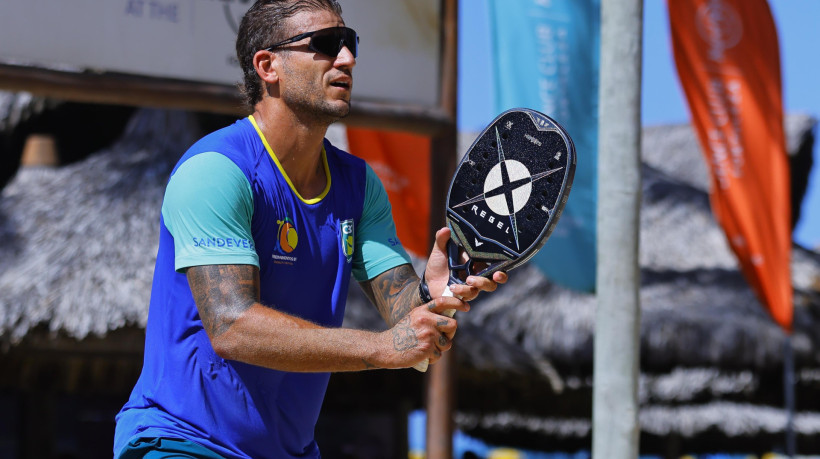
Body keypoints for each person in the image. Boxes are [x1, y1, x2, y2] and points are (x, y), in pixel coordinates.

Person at [113, 1, 507, 458]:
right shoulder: (216, 170)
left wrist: (436, 298)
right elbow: (232, 327)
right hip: (184, 442)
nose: (347, 59)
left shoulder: (360, 186)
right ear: (268, 66)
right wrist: (380, 349)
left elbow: (406, 322)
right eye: (325, 45)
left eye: (349, 43)